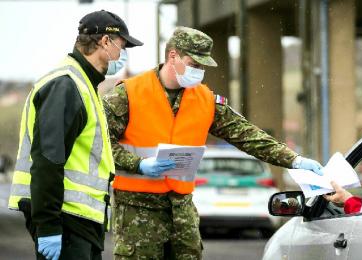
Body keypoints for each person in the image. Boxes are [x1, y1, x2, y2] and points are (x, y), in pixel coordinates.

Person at [103, 26, 323, 259]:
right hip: (138, 212)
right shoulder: (127, 94)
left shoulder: (205, 100)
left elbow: (247, 135)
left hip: (182, 210)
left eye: (201, 67)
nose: (198, 71)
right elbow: (101, 145)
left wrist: (294, 160)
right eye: (193, 64)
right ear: (173, 56)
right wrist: (138, 164)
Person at [8, 10, 142, 260]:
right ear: (105, 42)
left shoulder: (82, 84)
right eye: (123, 47)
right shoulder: (66, 85)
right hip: (66, 220)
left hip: (79, 220)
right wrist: (48, 226)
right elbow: (48, 161)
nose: (123, 55)